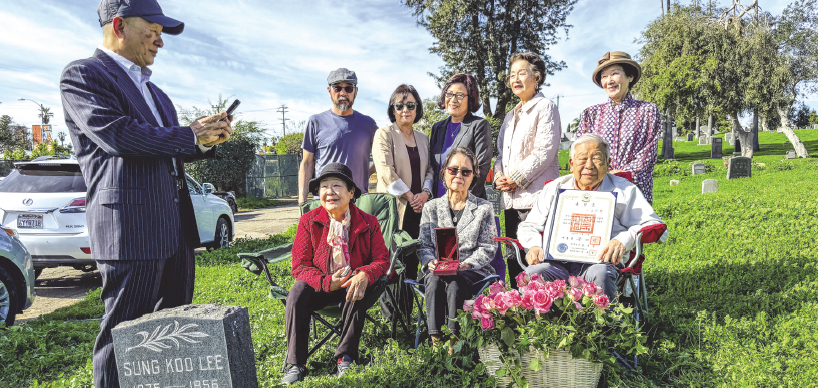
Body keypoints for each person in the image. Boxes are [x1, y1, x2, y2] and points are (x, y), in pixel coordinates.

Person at [59, 1, 233, 387]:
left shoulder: (158, 94)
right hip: (131, 229)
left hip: (175, 231)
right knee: (124, 338)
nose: (160, 41)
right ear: (119, 25)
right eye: (153, 30)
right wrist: (189, 134)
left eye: (161, 33)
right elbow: (118, 136)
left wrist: (204, 139)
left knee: (172, 336)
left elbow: (169, 148)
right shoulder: (84, 75)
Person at [517, 134, 664, 300]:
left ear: (608, 164)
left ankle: (605, 318)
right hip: (555, 263)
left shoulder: (625, 190)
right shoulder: (554, 188)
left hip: (600, 263)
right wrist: (534, 245)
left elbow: (653, 224)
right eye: (582, 159)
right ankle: (541, 318)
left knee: (600, 273)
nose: (589, 166)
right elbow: (529, 225)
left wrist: (623, 239)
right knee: (533, 274)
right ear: (571, 164)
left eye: (597, 159)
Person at [282, 163, 391, 385]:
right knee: (298, 290)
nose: (329, 192)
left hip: (353, 287)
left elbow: (382, 260)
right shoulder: (308, 221)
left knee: (357, 286)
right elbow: (300, 266)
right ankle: (296, 364)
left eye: (336, 185)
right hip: (321, 287)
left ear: (351, 192)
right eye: (324, 186)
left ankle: (345, 357)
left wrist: (363, 274)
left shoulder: (369, 222)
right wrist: (326, 282)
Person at [493, 52, 562, 288]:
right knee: (514, 256)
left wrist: (516, 178)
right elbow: (501, 154)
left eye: (522, 73)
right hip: (511, 200)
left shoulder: (546, 107)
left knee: (536, 257)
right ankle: (517, 303)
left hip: (535, 199)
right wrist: (500, 176)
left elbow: (544, 150)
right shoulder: (510, 116)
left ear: (537, 77)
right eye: (512, 75)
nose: (516, 79)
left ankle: (541, 304)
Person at [418, 147, 497, 350]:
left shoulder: (483, 208)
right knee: (435, 279)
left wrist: (467, 264)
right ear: (444, 172)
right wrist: (430, 261)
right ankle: (436, 343)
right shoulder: (431, 208)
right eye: (453, 170)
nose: (459, 176)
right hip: (438, 268)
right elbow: (424, 245)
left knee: (455, 282)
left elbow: (488, 247)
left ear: (473, 177)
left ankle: (455, 344)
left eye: (466, 172)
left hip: (471, 270)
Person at [576, 51, 662, 203]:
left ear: (630, 77)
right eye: (604, 76)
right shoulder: (591, 114)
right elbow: (580, 152)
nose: (609, 81)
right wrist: (599, 175)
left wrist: (621, 176)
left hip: (634, 190)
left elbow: (648, 153)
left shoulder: (648, 111)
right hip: (598, 191)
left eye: (614, 74)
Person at [372, 84, 434, 277]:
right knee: (394, 262)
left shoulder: (423, 138)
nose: (405, 110)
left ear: (417, 109)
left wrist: (425, 194)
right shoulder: (384, 134)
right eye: (399, 106)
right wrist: (410, 196)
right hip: (394, 208)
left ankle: (411, 296)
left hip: (420, 208)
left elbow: (430, 169)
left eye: (410, 105)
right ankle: (393, 298)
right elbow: (385, 171)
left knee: (415, 259)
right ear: (393, 110)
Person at [298, 68, 378, 203]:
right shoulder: (315, 122)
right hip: (326, 202)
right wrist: (302, 201)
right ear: (329, 91)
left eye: (348, 88)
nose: (343, 93)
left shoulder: (368, 124)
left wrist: (365, 173)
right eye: (337, 88)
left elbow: (383, 158)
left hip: (358, 202)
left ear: (356, 91)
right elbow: (307, 164)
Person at [429, 74, 493, 199]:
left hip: (466, 202)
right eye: (449, 94)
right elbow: (432, 167)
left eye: (459, 95)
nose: (453, 100)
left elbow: (481, 168)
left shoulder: (479, 125)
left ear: (470, 98)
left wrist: (461, 201)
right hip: (438, 201)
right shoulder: (437, 128)